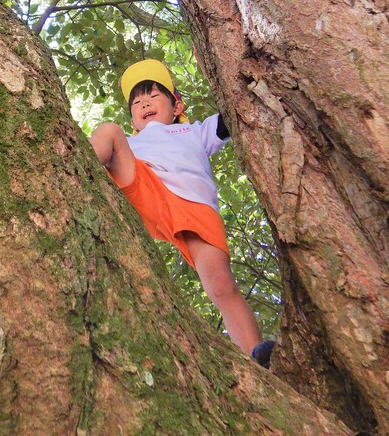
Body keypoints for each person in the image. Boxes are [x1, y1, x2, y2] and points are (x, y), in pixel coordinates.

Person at [89, 59, 275, 368]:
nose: (144, 103)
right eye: (137, 102)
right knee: (108, 132)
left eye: (153, 96)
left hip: (196, 208)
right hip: (146, 186)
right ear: (134, 120)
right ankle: (76, 163)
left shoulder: (193, 130)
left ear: (177, 106)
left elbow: (231, 117)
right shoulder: (134, 140)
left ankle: (255, 355)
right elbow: (118, 148)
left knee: (220, 284)